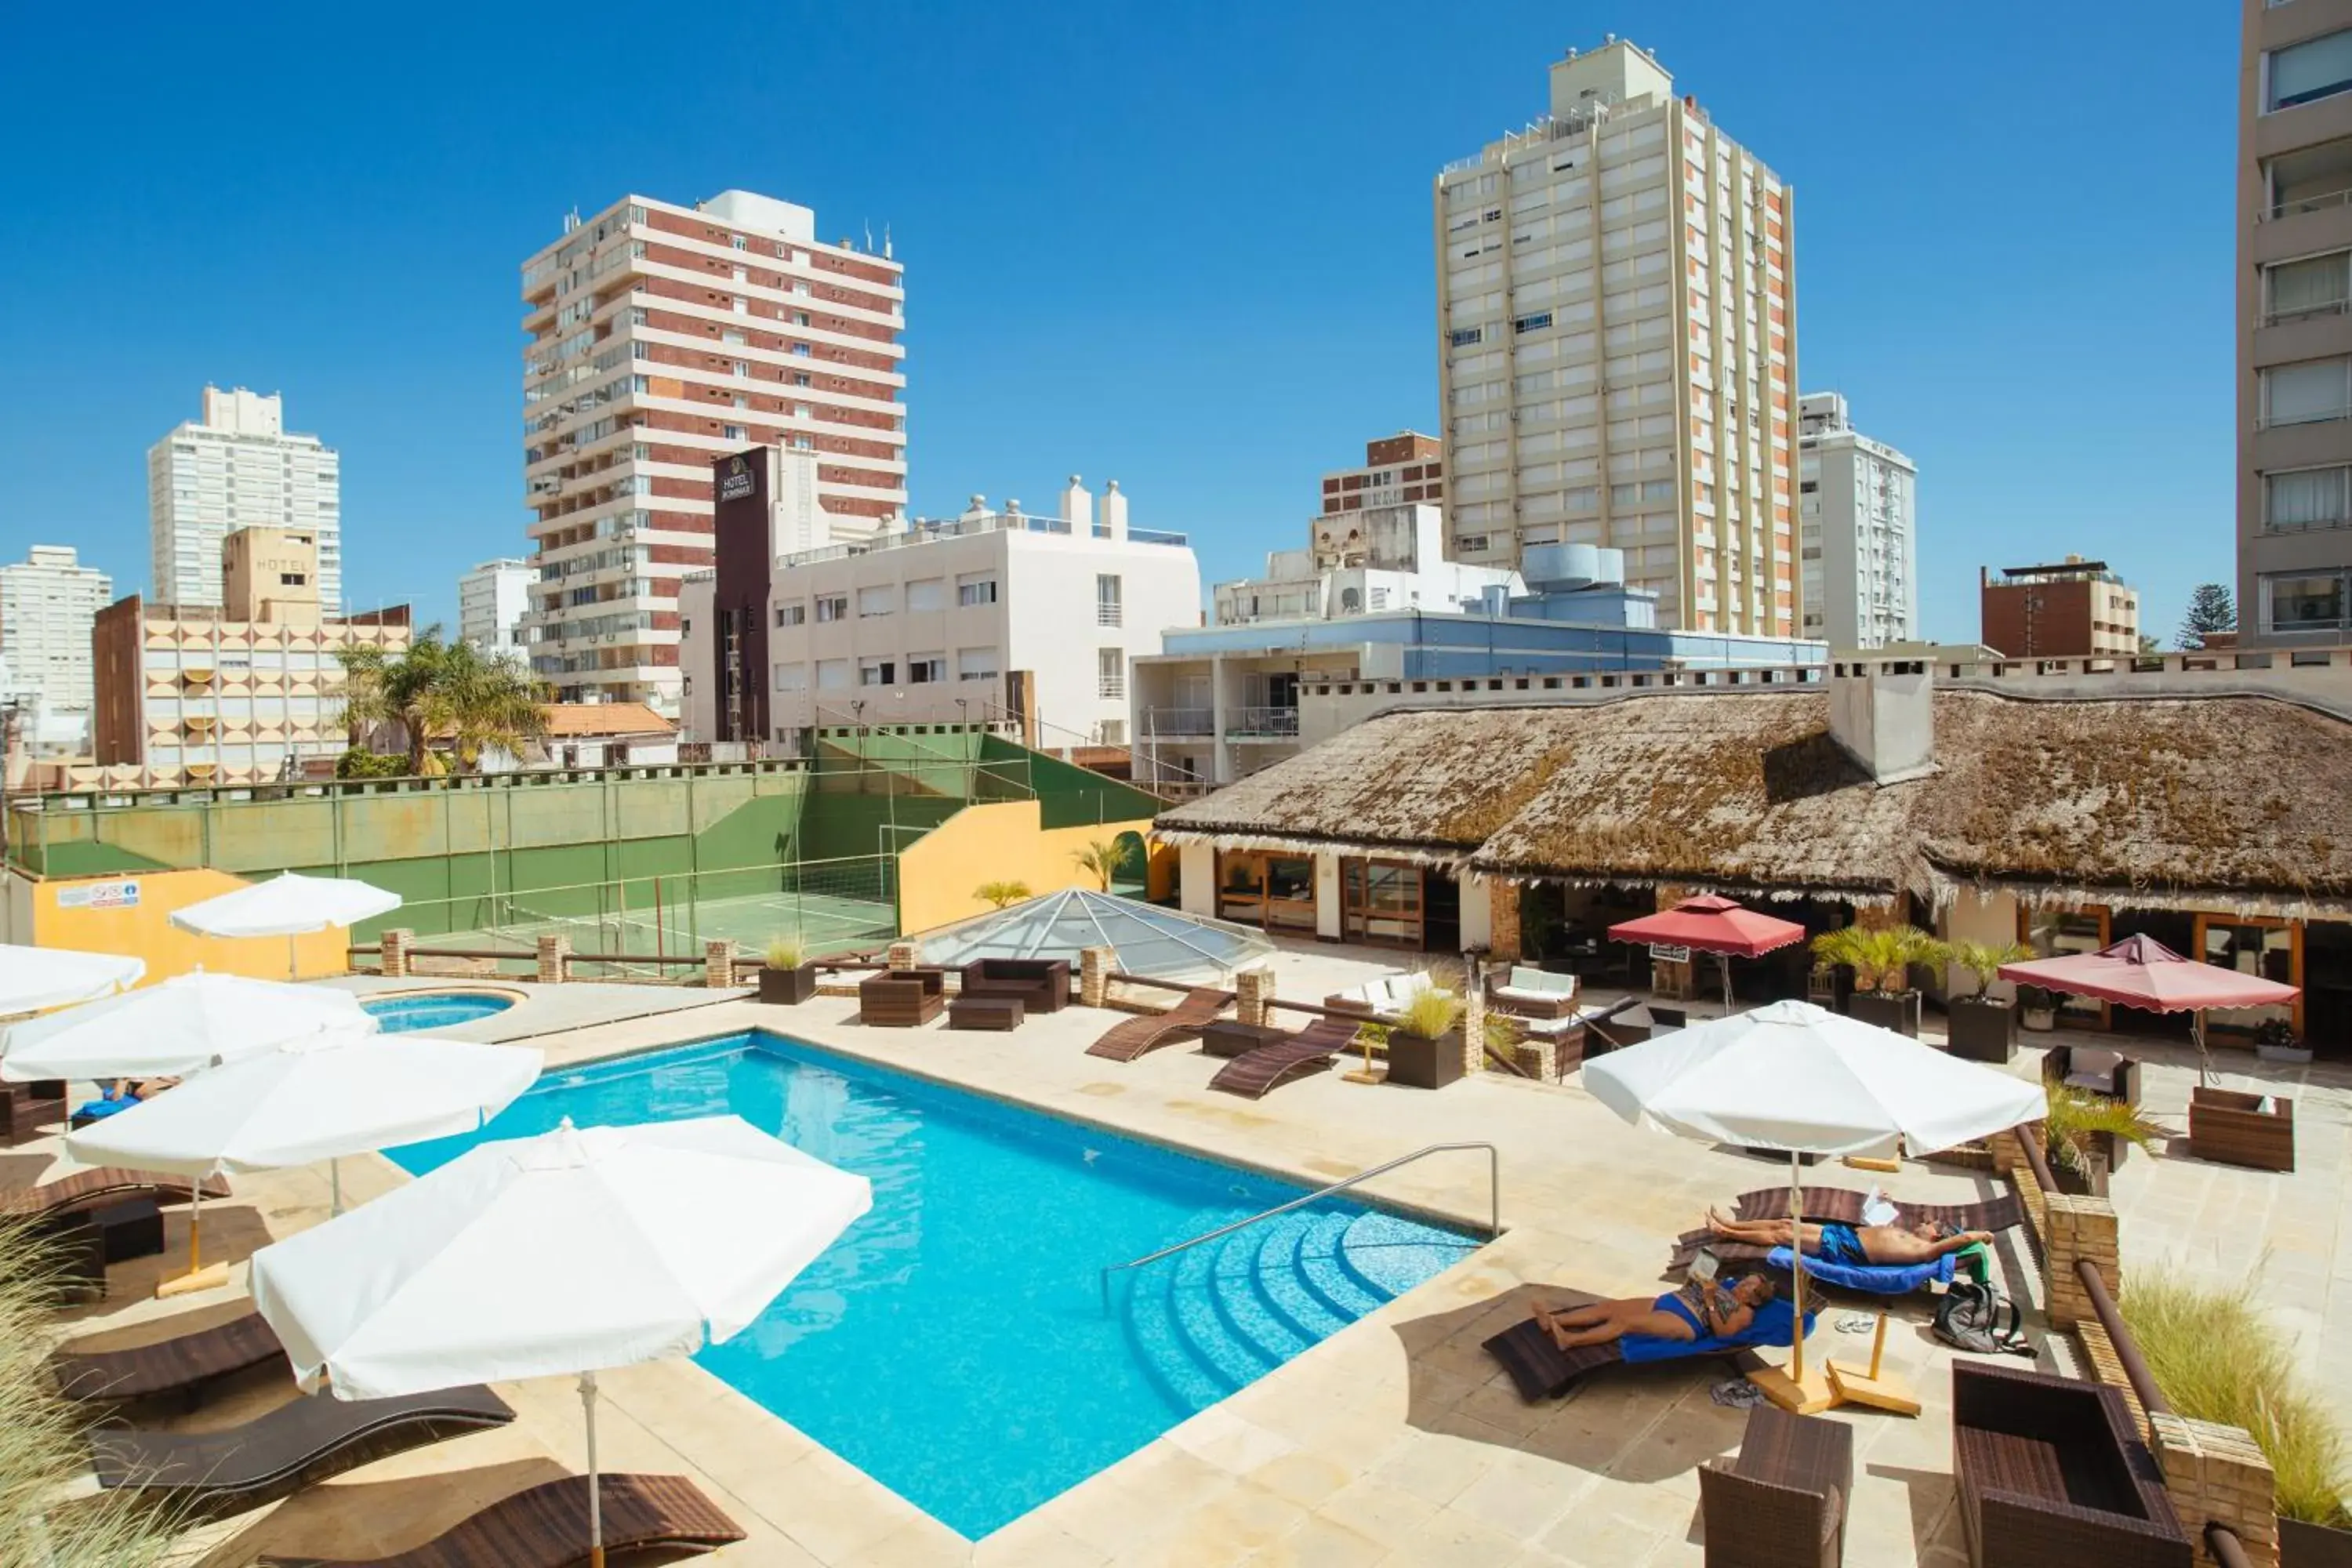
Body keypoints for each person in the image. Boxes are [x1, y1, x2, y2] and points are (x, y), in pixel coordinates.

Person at [1534, 1272, 1775, 1352]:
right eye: (1744, 1281)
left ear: (1754, 1298)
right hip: (1668, 1301)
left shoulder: (1744, 1313)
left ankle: (1570, 1340)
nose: (1741, 1285)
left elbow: (1724, 1334)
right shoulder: (1726, 1288)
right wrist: (1696, 1281)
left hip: (1687, 1321)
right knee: (1608, 1307)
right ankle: (1554, 1320)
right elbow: (1689, 1289)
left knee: (1625, 1322)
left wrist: (1711, 1300)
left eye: (1747, 1286)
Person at [1706, 1207, 1992, 1269]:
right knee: (1786, 1223)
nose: (1924, 1223)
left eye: (1930, 1224)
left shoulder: (1923, 1250)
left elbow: (1962, 1239)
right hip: (1844, 1235)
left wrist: (1983, 1235)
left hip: (1845, 1249)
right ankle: (1732, 1224)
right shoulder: (1909, 1237)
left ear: (1936, 1236)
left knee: (1782, 1236)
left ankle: (1726, 1233)